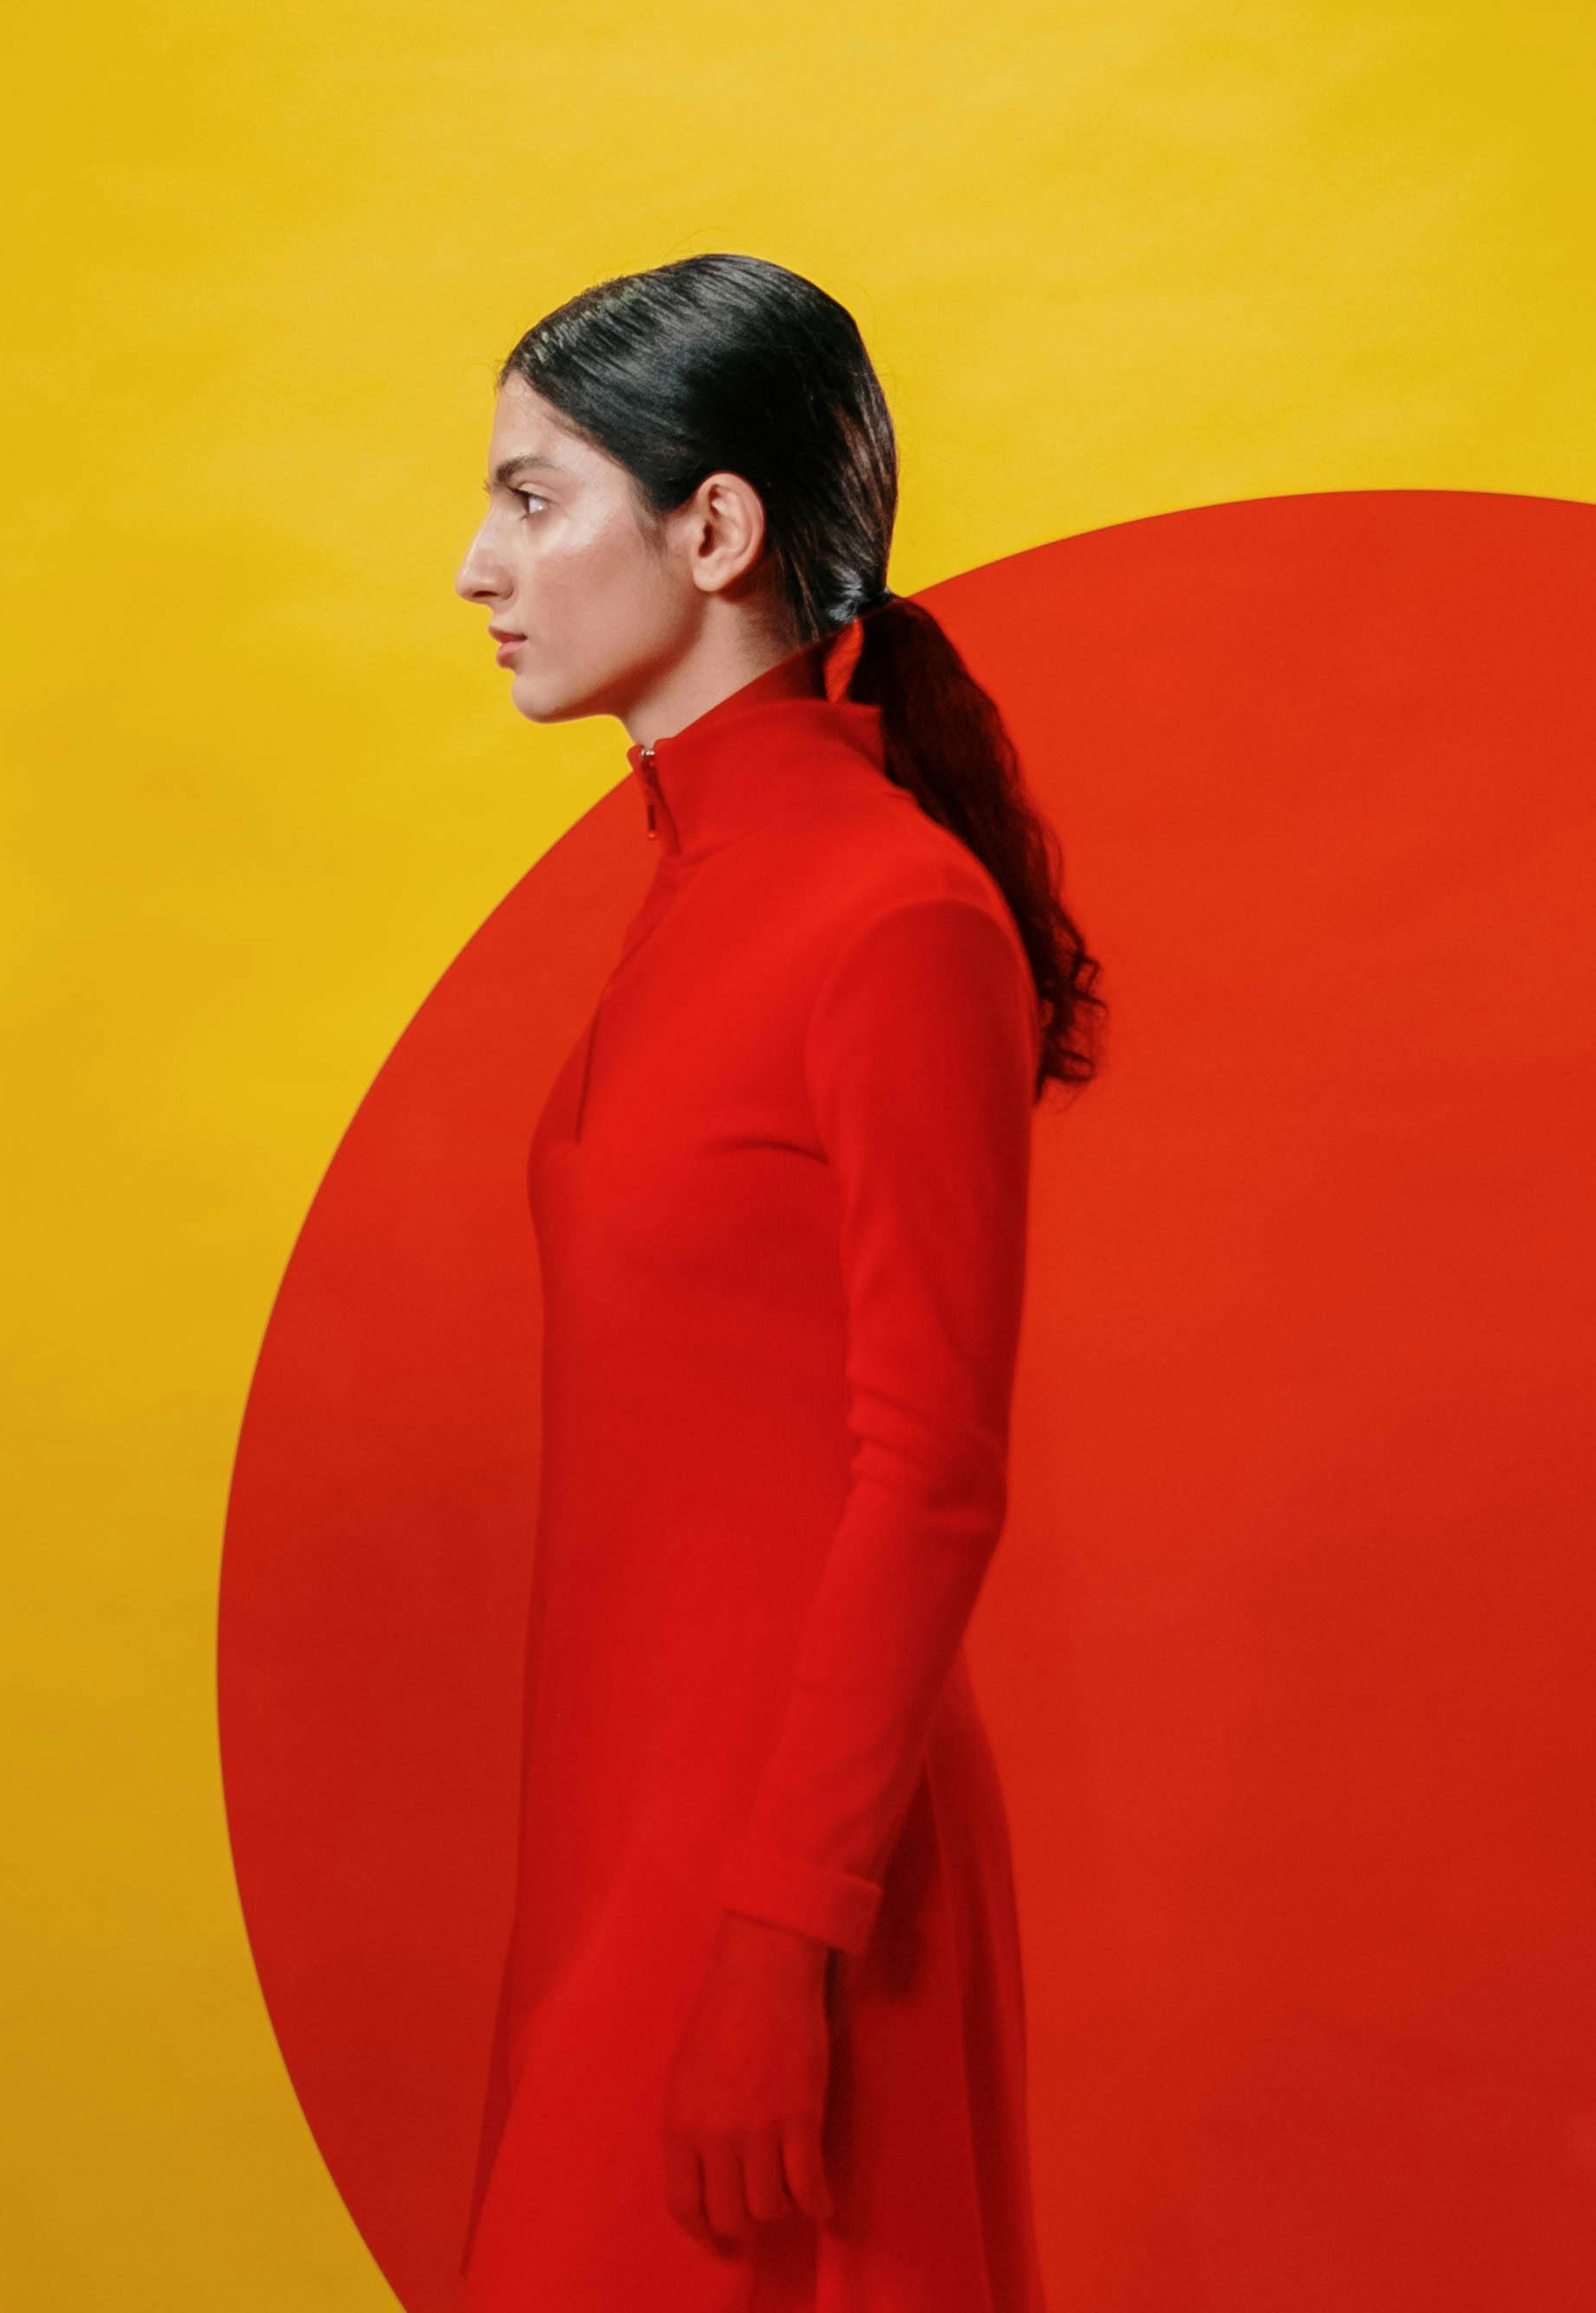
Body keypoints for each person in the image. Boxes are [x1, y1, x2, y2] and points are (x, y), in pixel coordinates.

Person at [450, 255, 1101, 2313]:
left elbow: (928, 1471)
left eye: (533, 498)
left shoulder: (891, 917)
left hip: (784, 1887)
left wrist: (776, 1940)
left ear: (710, 528)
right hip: (623, 1853)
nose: (477, 564)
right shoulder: (688, 894)